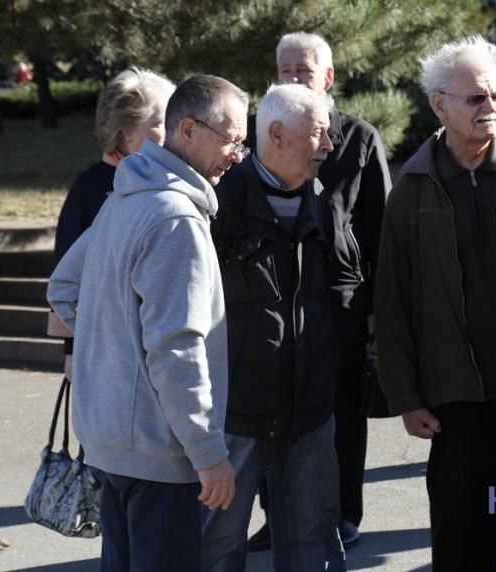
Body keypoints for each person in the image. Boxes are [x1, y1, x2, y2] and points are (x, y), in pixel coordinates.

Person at [47, 73, 250, 571]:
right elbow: (174, 348)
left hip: (113, 444)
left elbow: (62, 289)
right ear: (187, 130)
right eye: (232, 141)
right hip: (159, 453)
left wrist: (117, 357)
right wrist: (208, 453)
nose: (238, 155)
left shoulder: (125, 199)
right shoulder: (175, 220)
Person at [374, 34, 496, 571]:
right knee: (461, 522)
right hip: (453, 385)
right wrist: (405, 395)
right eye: (476, 97)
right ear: (439, 104)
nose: (491, 106)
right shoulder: (411, 190)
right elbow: (393, 300)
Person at [246, 30, 392, 552]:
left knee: (339, 416)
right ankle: (276, 515)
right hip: (271, 302)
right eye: (284, 69)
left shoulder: (358, 138)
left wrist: (377, 307)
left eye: (302, 71)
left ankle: (341, 515)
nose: (290, 78)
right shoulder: (259, 131)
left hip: (340, 301)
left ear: (328, 79)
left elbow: (382, 232)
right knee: (270, 413)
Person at [202, 83, 345, 572]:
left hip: (309, 411)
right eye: (320, 135)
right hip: (235, 416)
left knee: (312, 543)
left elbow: (345, 285)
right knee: (217, 547)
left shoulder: (325, 198)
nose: (329, 146)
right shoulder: (218, 203)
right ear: (278, 135)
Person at [48, 66, 175, 381]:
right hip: (112, 357)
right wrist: (72, 350)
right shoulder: (89, 188)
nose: (175, 130)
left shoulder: (175, 181)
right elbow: (67, 277)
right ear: (127, 130)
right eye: (161, 123)